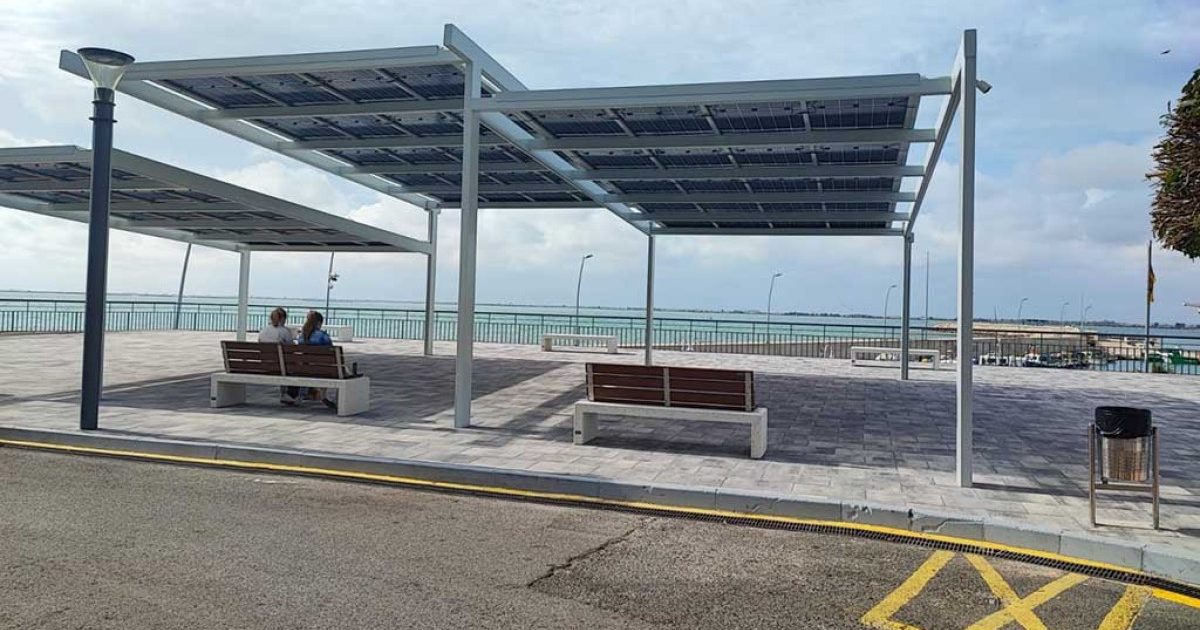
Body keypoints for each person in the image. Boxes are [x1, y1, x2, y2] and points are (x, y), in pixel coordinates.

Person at [258, 307, 298, 405]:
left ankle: (285, 394)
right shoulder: (284, 331)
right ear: (283, 319)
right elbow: (292, 349)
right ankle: (290, 394)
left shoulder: (263, 331)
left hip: (265, 365)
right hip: (281, 366)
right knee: (297, 367)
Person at [297, 310, 336, 409]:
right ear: (319, 323)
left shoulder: (301, 336)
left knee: (310, 365)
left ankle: (303, 394)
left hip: (304, 368)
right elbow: (332, 351)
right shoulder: (323, 335)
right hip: (321, 369)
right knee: (337, 369)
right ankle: (323, 395)